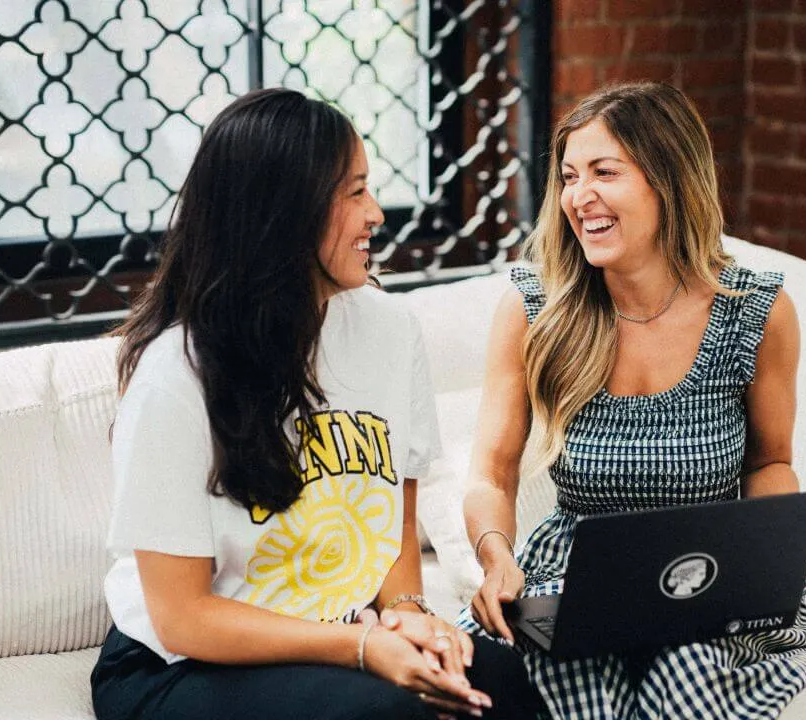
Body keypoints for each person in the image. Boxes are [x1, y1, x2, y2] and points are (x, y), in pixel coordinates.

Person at [90, 88, 541, 720]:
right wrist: (361, 646)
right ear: (284, 213)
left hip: (333, 638)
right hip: (178, 666)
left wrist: (408, 617)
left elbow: (392, 530)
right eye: (354, 192)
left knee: (505, 682)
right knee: (387, 713)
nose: (377, 213)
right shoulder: (177, 376)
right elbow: (183, 619)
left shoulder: (390, 331)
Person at [456, 81, 806, 719]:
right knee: (572, 668)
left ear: (669, 180)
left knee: (686, 663)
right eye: (570, 176)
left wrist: (763, 567)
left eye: (605, 172)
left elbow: (770, 463)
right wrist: (496, 559)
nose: (579, 197)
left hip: (705, 574)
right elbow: (491, 470)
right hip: (574, 576)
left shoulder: (756, 310)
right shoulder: (535, 307)